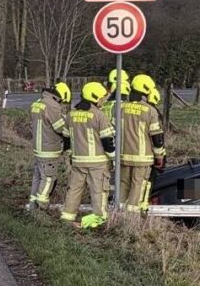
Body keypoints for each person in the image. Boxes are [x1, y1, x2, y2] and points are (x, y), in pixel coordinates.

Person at [60, 82, 115, 228]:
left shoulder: (71, 114)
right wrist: (114, 158)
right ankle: (98, 220)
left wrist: (70, 155)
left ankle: (67, 217)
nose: (103, 100)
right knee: (99, 191)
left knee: (74, 189)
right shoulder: (99, 116)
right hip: (97, 163)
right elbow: (108, 142)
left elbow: (66, 139)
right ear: (95, 97)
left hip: (77, 161)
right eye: (102, 98)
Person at [119, 74, 165, 213]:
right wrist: (159, 157)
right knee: (137, 185)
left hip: (123, 155)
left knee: (123, 184)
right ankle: (132, 219)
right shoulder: (150, 110)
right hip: (142, 157)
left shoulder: (120, 108)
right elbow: (157, 138)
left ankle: (118, 214)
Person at [28, 82, 71, 210]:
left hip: (38, 147)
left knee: (37, 177)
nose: (62, 104)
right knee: (48, 178)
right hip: (49, 149)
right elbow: (60, 128)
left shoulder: (37, 103)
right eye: (62, 102)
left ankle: (33, 205)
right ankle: (41, 206)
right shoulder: (52, 106)